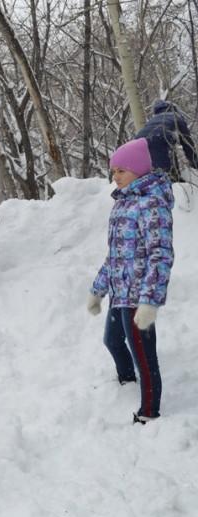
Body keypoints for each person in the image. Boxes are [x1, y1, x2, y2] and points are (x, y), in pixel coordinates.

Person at [87, 138, 174, 424]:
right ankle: (126, 383)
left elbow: (160, 254)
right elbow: (116, 254)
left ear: (138, 170)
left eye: (121, 170)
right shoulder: (123, 203)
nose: (115, 176)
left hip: (138, 296)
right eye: (113, 171)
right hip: (119, 292)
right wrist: (98, 289)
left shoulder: (152, 204)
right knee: (111, 340)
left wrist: (150, 300)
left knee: (144, 357)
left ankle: (149, 411)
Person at [135, 100, 198, 181]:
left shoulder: (153, 119)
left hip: (138, 141)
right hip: (159, 137)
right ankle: (174, 182)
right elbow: (187, 142)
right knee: (167, 175)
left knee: (149, 173)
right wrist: (195, 163)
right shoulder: (176, 117)